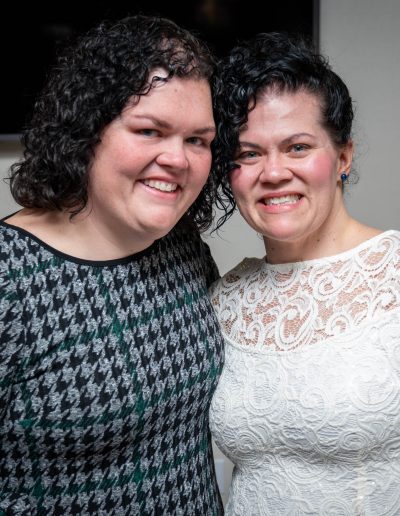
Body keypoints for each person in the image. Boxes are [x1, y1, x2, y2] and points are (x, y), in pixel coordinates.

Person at [0, 15, 225, 514]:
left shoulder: (181, 248)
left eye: (197, 140)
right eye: (149, 130)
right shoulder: (9, 278)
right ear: (87, 130)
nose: (178, 160)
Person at [209, 32, 400, 515]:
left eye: (297, 147)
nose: (273, 173)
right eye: (248, 154)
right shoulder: (223, 298)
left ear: (343, 157)